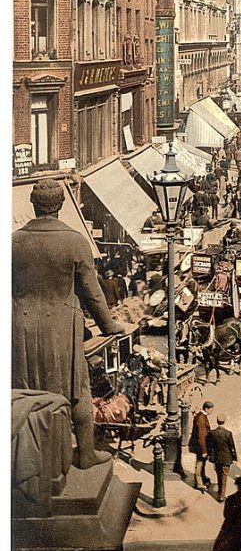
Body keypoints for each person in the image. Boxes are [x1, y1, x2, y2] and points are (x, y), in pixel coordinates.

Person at [12, 179, 125, 470]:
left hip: (19, 329)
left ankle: (30, 461)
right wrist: (111, 326)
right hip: (61, 329)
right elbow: (92, 294)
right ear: (62, 205)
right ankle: (85, 453)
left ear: (34, 205)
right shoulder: (75, 241)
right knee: (78, 390)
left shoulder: (13, 242)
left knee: (25, 392)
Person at [207, 413, 238, 502]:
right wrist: (234, 458)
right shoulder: (228, 434)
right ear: (224, 422)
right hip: (226, 458)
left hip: (216, 458)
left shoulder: (212, 433)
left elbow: (210, 445)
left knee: (218, 475)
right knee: (224, 476)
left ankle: (220, 492)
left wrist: (210, 455)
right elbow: (232, 446)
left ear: (217, 421)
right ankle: (221, 495)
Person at [189, 400, 215, 491]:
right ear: (207, 409)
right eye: (211, 409)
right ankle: (199, 483)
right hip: (200, 446)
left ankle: (203, 478)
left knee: (202, 463)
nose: (212, 411)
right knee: (199, 464)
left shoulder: (201, 416)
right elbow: (201, 436)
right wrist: (204, 450)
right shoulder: (201, 418)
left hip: (200, 445)